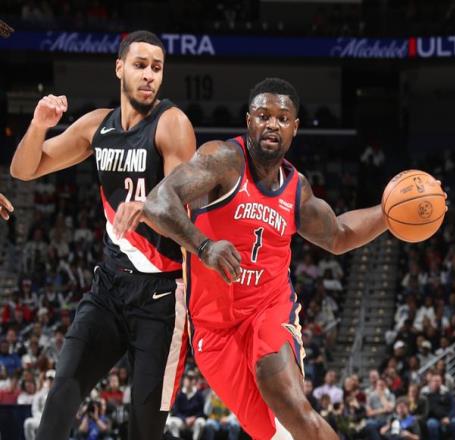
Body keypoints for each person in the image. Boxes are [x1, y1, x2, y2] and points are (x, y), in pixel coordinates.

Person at [113, 77, 407, 439]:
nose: (272, 124)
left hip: (268, 308)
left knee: (290, 402)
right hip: (213, 327)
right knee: (272, 435)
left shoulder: (296, 189)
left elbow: (339, 235)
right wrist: (204, 246)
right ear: (248, 120)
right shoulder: (222, 160)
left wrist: (389, 214)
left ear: (295, 128)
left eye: (282, 118)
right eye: (263, 115)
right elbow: (158, 202)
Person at [10, 30, 196, 440]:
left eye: (157, 68)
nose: (149, 75)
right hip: (108, 289)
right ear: (119, 68)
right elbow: (23, 170)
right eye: (140, 65)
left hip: (162, 298)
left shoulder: (172, 124)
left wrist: (149, 207)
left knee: (144, 430)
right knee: (59, 401)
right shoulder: (98, 125)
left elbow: (183, 209)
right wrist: (39, 125)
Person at [165, 371, 206, 440]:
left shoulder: (199, 395)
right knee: (171, 422)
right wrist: (184, 419)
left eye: (191, 378)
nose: (189, 380)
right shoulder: (179, 394)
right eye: (187, 377)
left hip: (194, 421)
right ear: (184, 380)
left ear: (195, 381)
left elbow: (201, 411)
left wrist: (194, 418)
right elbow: (175, 411)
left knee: (201, 422)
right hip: (182, 420)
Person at [426, 374, 455, 440]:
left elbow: (454, 408)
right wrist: (442, 418)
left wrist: (449, 418)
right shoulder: (428, 396)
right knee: (431, 424)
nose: (436, 383)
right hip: (435, 418)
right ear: (431, 382)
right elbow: (433, 409)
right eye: (434, 381)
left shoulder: (448, 394)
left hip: (448, 418)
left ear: (441, 382)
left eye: (438, 381)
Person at [24, 370, 55, 440]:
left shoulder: (61, 394)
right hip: (40, 419)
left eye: (52, 380)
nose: (50, 381)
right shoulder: (40, 393)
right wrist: (42, 418)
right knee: (28, 423)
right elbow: (35, 409)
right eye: (49, 379)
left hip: (55, 421)